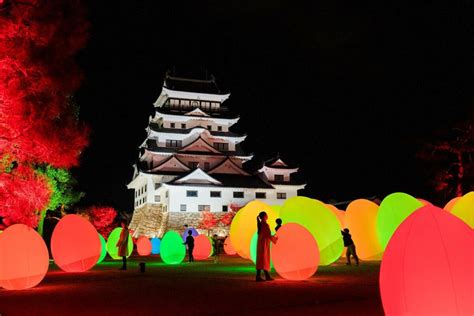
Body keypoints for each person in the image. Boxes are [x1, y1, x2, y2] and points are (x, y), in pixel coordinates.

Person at [256, 211, 278, 281]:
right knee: (263, 259)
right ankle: (261, 276)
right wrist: (275, 238)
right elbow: (268, 235)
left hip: (261, 244)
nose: (267, 216)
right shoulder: (265, 225)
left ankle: (263, 276)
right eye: (266, 215)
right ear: (264, 216)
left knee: (261, 260)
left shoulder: (260, 224)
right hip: (264, 244)